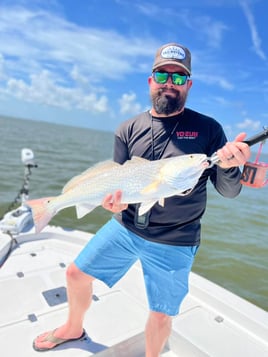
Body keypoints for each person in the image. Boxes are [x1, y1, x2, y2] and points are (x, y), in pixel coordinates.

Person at [33, 42, 251, 356]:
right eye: (163, 75)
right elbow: (114, 179)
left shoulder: (208, 129)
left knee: (161, 312)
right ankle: (73, 328)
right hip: (125, 227)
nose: (169, 83)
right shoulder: (127, 128)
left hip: (176, 238)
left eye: (179, 78)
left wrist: (233, 167)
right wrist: (114, 203)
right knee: (75, 274)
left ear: (188, 85)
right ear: (151, 80)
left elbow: (228, 191)